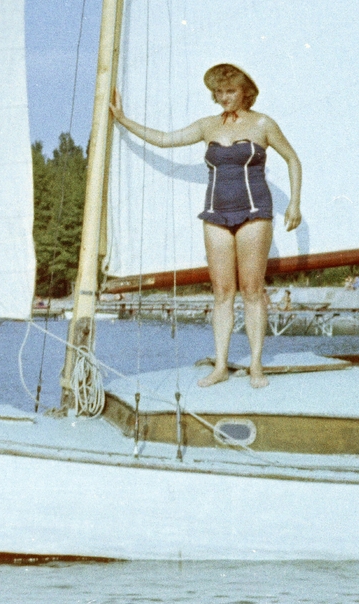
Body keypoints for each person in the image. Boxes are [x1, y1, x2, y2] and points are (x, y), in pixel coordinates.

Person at [110, 63, 302, 389]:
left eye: (231, 91)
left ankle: (256, 365)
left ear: (246, 93)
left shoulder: (263, 124)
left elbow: (293, 159)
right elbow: (165, 140)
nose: (224, 97)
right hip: (215, 213)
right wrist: (124, 120)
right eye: (219, 92)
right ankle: (221, 366)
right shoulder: (207, 126)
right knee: (222, 292)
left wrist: (294, 203)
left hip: (255, 212)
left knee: (253, 291)